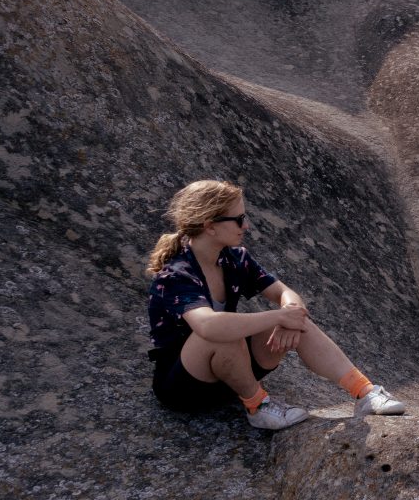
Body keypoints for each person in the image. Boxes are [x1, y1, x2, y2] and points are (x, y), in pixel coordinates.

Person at [146, 180, 405, 430]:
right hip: (184, 386)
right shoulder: (177, 274)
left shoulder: (235, 259)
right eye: (238, 219)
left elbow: (285, 293)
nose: (245, 225)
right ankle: (257, 406)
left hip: (229, 376)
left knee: (297, 321)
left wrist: (290, 316)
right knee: (224, 331)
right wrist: (279, 318)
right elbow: (208, 326)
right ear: (210, 226)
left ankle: (364, 392)